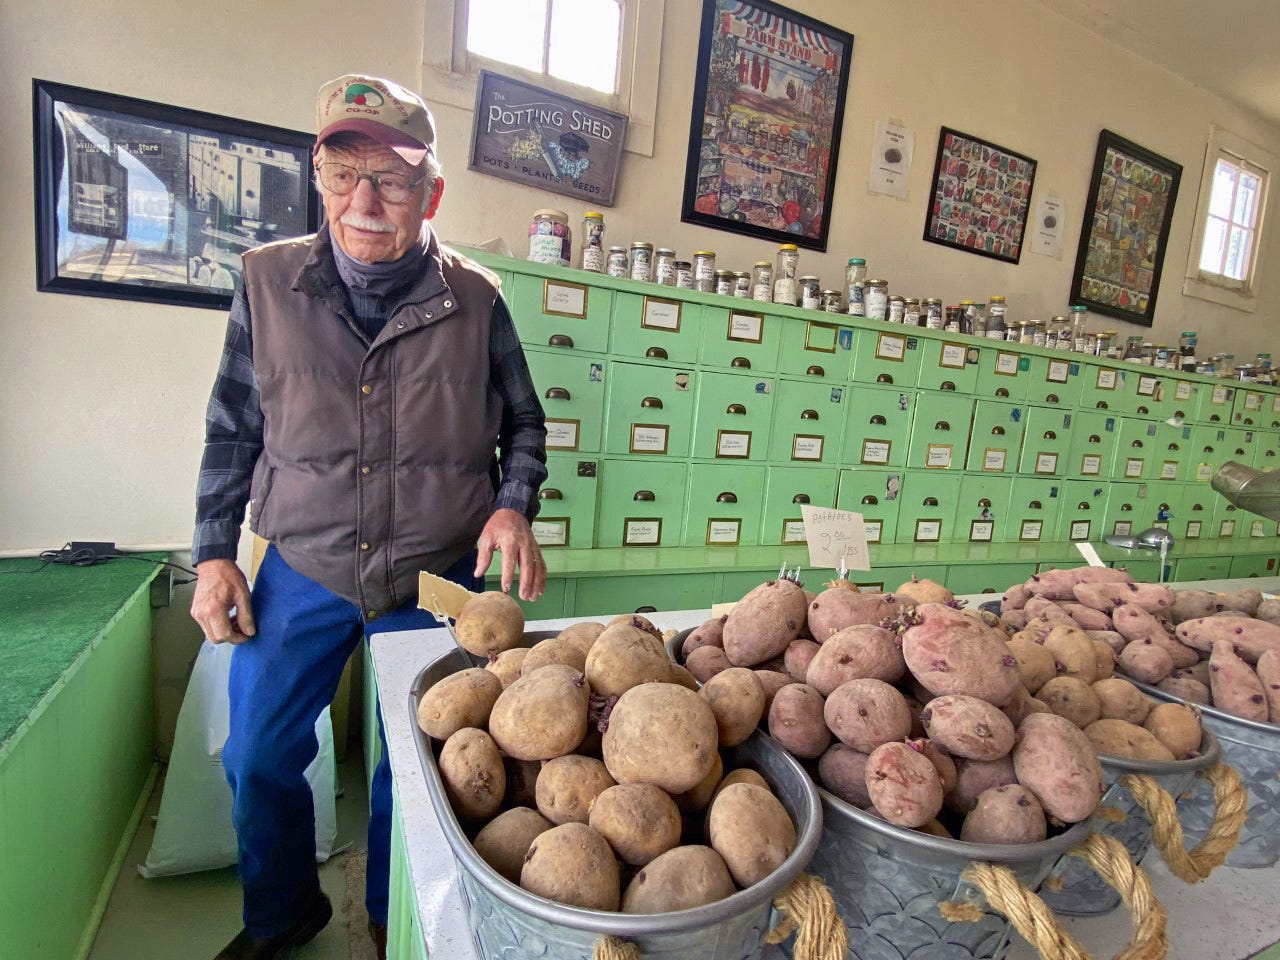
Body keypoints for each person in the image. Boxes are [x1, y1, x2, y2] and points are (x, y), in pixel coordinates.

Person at [189, 73, 548, 960]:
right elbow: (232, 429)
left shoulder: (477, 298)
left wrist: (512, 506)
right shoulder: (266, 283)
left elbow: (526, 424)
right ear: (318, 177)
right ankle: (283, 913)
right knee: (257, 753)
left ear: (431, 193)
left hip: (434, 573)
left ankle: (396, 920)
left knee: (417, 766)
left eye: (389, 179)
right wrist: (213, 553)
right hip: (303, 566)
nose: (364, 201)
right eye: (343, 173)